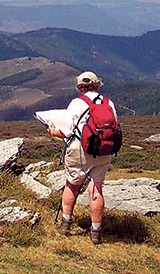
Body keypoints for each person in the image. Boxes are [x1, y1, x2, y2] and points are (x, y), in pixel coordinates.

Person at [47, 71, 117, 245]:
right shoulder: (108, 103)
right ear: (97, 85)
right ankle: (95, 232)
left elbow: (67, 131)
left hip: (80, 150)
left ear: (79, 87)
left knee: (72, 184)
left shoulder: (77, 103)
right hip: (103, 151)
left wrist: (54, 132)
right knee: (96, 189)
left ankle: (65, 224)